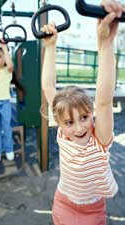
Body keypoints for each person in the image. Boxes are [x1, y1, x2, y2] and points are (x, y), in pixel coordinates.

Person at [41, 1, 124, 224]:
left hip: (93, 210)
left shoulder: (100, 138)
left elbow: (104, 101)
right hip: (63, 201)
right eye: (69, 122)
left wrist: (105, 44)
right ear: (59, 121)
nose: (79, 127)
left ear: (91, 115)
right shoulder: (63, 132)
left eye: (85, 117)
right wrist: (50, 47)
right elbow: (49, 87)